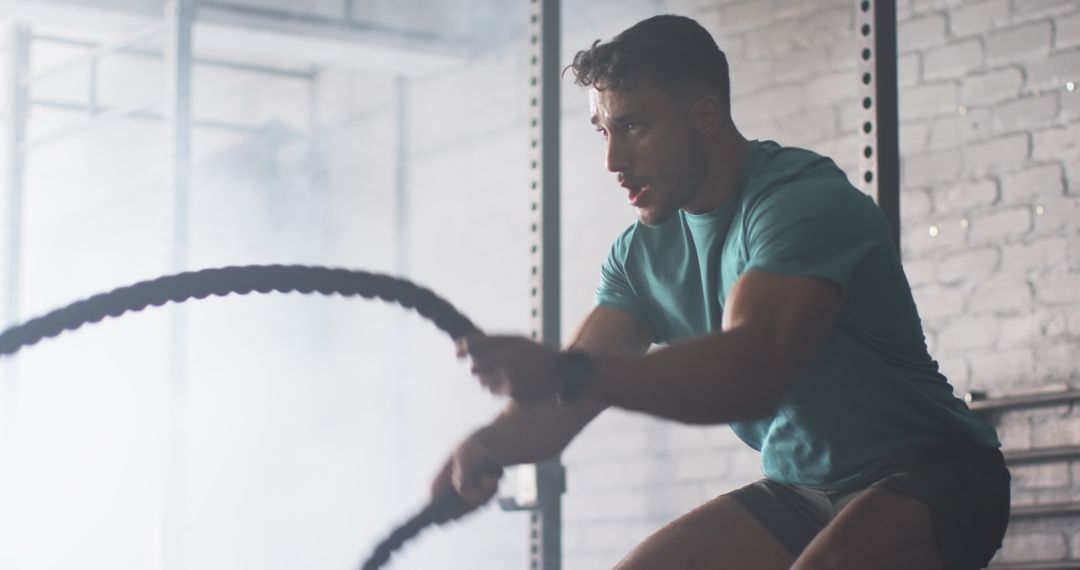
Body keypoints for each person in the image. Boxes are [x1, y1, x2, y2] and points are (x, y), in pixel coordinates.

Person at [430, 14, 1010, 570]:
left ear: (705, 115)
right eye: (604, 131)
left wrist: (569, 371)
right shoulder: (639, 256)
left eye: (634, 126)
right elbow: (568, 402)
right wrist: (482, 447)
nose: (612, 159)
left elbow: (751, 373)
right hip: (800, 491)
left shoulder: (796, 201)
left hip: (935, 472)